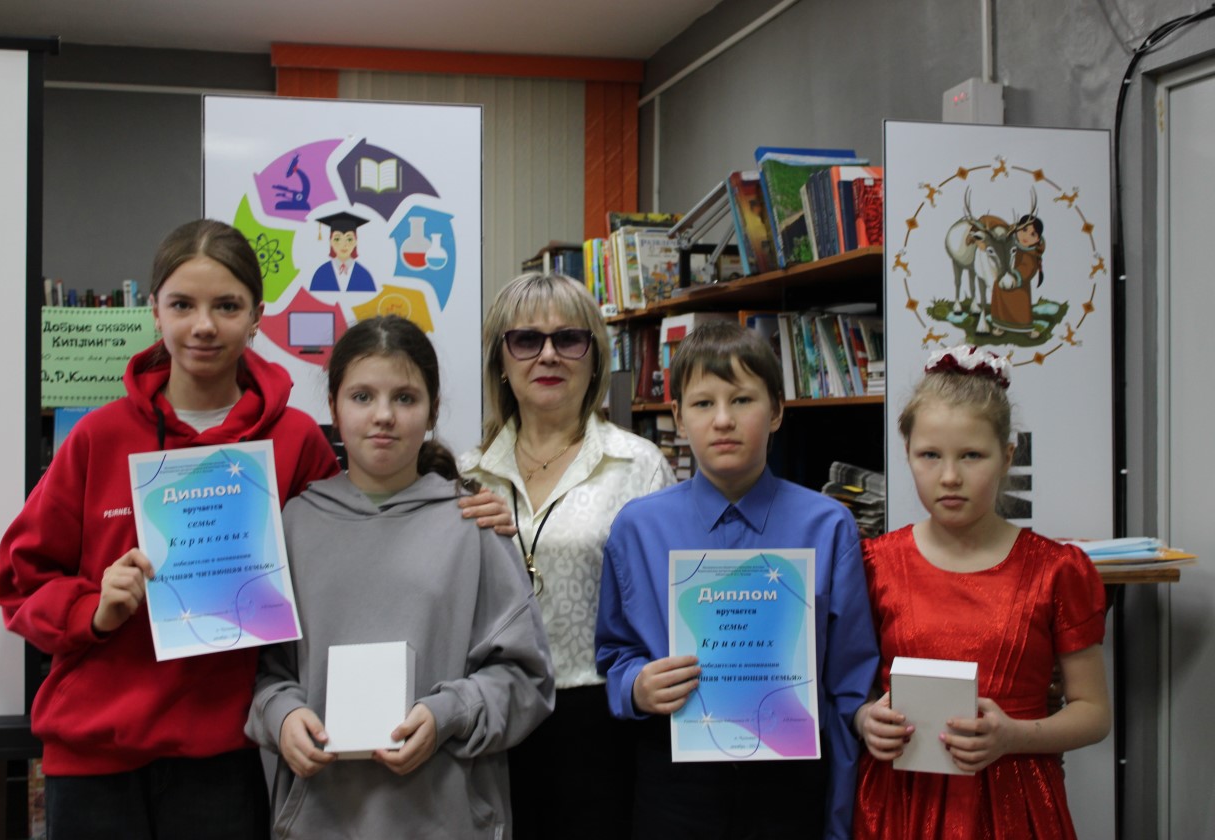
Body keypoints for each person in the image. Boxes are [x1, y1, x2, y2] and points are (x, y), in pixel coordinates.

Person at [0, 219, 342, 839]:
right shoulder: (98, 437)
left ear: (256, 317)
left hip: (224, 757)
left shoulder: (294, 442)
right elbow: (19, 583)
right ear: (155, 311)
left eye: (226, 306)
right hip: (95, 756)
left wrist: (459, 503)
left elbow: (347, 558)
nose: (203, 325)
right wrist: (93, 609)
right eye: (182, 305)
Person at [246, 315, 555, 839]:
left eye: (405, 398)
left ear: (433, 411)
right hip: (321, 817)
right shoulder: (292, 526)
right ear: (333, 408)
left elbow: (528, 679)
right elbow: (263, 672)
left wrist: (449, 713)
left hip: (445, 817)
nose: (384, 415)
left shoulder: (474, 526)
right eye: (362, 397)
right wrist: (281, 716)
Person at [595, 321, 879, 840]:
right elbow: (614, 654)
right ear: (678, 417)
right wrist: (636, 687)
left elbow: (848, 685)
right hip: (676, 783)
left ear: (777, 411)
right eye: (703, 404)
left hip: (790, 785)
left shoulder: (827, 526)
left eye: (742, 400)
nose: (723, 420)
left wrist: (839, 819)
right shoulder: (637, 528)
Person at [852, 344, 1110, 839]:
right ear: (907, 454)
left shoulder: (1056, 570)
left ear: (1007, 456)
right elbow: (850, 688)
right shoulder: (875, 565)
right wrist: (866, 719)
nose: (950, 477)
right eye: (930, 455)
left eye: (972, 455)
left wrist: (1013, 735)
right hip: (901, 800)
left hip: (1015, 799)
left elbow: (1094, 713)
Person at [459, 272, 674, 839]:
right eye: (526, 340)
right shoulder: (465, 475)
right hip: (493, 712)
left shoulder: (640, 467)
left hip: (602, 719)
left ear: (595, 356)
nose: (548, 355)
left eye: (569, 339)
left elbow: (669, 608)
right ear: (500, 360)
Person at [309, 209, 376, 293]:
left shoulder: (365, 276)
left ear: (356, 242)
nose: (343, 245)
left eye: (349, 239)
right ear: (330, 241)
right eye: (337, 239)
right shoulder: (320, 274)